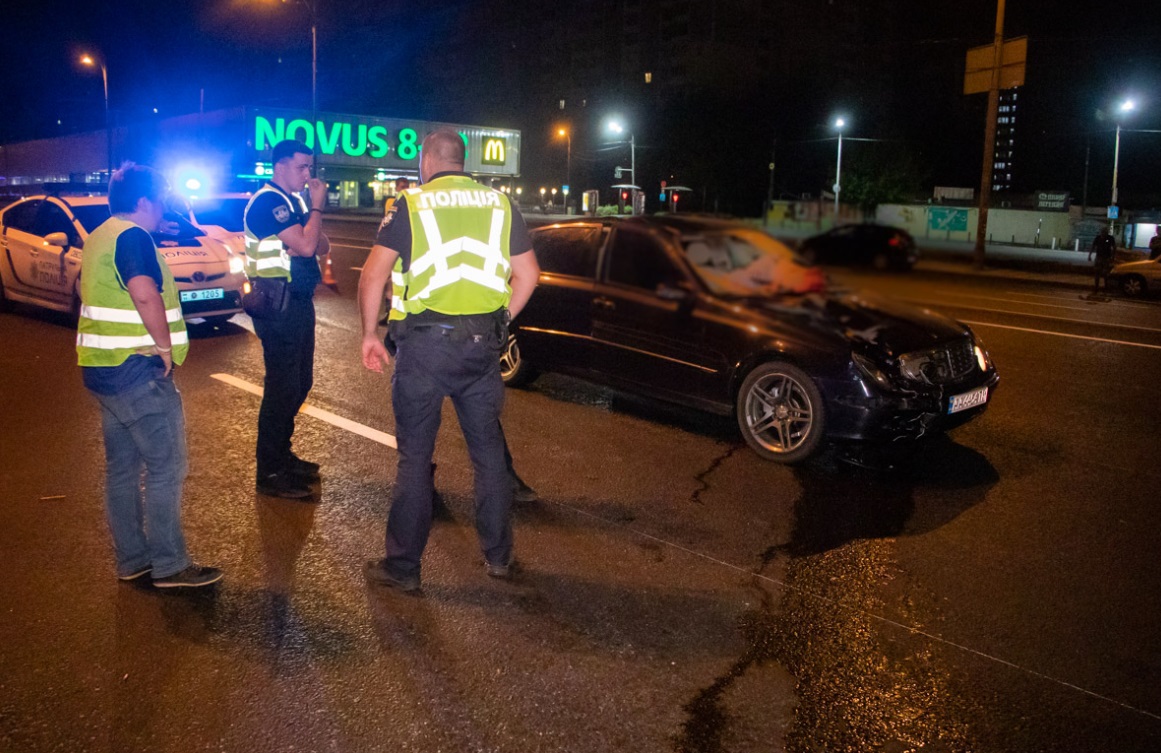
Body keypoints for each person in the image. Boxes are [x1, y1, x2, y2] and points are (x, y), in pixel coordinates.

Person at [358, 129, 540, 591]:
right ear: (462, 160)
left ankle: (404, 569)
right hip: (481, 347)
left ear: (426, 160)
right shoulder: (501, 205)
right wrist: (501, 320)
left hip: (423, 349)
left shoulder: (411, 205)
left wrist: (368, 335)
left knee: (415, 460)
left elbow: (373, 274)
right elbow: (529, 275)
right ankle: (499, 558)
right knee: (488, 458)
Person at [76, 163, 223, 588]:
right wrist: (163, 347)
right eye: (159, 198)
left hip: (103, 369)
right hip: (137, 368)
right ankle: (170, 565)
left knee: (121, 469)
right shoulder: (133, 236)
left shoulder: (100, 235)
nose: (163, 207)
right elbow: (144, 291)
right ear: (143, 201)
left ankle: (133, 559)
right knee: (166, 466)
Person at [243, 139, 331, 499]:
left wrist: (309, 222)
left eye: (309, 167)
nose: (308, 174)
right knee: (282, 387)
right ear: (280, 166)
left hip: (297, 301)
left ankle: (283, 454)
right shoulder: (268, 201)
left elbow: (318, 244)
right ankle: (270, 471)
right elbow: (309, 246)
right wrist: (316, 210)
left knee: (300, 382)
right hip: (277, 305)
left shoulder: (291, 202)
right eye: (301, 167)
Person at [1088, 228, 1117, 293]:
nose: (1103, 234)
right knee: (1097, 272)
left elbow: (1114, 247)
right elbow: (1093, 246)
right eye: (1102, 232)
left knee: (1105, 273)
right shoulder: (1098, 238)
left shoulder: (1110, 238)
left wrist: (1113, 257)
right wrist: (1089, 255)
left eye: (1104, 232)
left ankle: (1105, 287)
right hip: (1099, 257)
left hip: (1106, 258)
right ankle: (1096, 287)